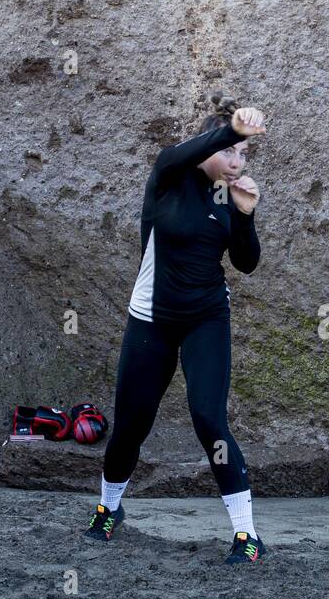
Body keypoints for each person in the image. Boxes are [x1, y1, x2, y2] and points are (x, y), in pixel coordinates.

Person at [86, 93, 267, 565]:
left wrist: (246, 215)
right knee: (131, 424)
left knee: (210, 420)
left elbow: (246, 263)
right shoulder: (168, 176)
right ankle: (109, 508)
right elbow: (184, 151)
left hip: (206, 320)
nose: (236, 161)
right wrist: (235, 129)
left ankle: (246, 536)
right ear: (206, 147)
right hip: (151, 318)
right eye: (229, 151)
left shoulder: (228, 197)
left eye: (244, 154)